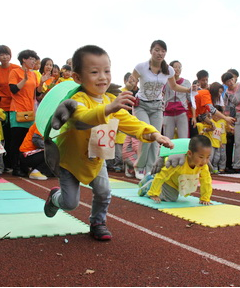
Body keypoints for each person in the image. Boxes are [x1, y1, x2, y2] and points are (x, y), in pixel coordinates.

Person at [44, 45, 173, 241]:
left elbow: (131, 122)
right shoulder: (78, 100)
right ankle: (55, 196)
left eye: (107, 71)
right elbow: (82, 118)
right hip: (70, 161)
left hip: (96, 158)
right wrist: (107, 109)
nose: (103, 77)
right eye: (94, 72)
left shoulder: (110, 101)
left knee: (104, 193)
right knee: (70, 203)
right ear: (78, 78)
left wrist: (154, 134)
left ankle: (97, 222)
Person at [124, 40, 192, 179]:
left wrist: (188, 89)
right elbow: (131, 85)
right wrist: (129, 84)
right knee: (146, 134)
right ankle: (140, 167)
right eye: (157, 50)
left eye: (163, 51)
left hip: (157, 106)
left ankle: (149, 169)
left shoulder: (169, 70)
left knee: (156, 138)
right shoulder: (141, 67)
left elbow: (173, 87)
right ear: (151, 51)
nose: (160, 53)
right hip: (141, 105)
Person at [138, 135, 213, 205]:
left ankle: (151, 180)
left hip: (178, 182)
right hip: (168, 181)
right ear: (190, 153)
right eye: (201, 157)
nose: (204, 161)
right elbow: (162, 175)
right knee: (171, 198)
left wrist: (205, 198)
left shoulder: (203, 165)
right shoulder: (178, 162)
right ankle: (150, 184)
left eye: (208, 157)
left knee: (183, 193)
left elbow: (206, 181)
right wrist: (153, 193)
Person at [8, 49, 45, 177]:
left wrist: (42, 82)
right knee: (16, 141)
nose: (34, 62)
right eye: (31, 59)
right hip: (18, 110)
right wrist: (23, 79)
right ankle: (15, 167)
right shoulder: (15, 72)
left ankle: (24, 167)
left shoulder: (34, 74)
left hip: (30, 111)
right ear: (24, 59)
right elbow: (13, 89)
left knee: (27, 141)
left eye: (35, 60)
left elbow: (38, 93)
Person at [0, 45, 20, 173]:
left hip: (15, 107)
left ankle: (12, 163)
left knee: (13, 136)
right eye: (1, 55)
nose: (4, 56)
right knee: (2, 136)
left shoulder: (16, 69)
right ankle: (3, 164)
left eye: (6, 54)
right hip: (0, 108)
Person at [162, 60, 192, 139]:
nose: (177, 69)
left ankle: (184, 152)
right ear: (171, 69)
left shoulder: (186, 82)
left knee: (183, 138)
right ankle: (167, 151)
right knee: (167, 138)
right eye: (175, 67)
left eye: (179, 67)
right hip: (168, 113)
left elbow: (190, 98)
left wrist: (194, 116)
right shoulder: (165, 81)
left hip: (181, 112)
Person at [196, 108, 227, 174]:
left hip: (217, 144)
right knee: (210, 157)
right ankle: (207, 169)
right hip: (210, 144)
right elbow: (204, 130)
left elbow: (220, 134)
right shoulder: (206, 123)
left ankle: (214, 168)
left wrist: (220, 142)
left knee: (217, 157)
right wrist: (210, 129)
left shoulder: (217, 124)